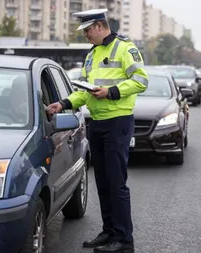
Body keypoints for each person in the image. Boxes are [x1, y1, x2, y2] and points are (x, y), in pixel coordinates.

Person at [45, 8, 148, 253]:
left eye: (88, 30)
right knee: (102, 181)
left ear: (100, 26)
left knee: (116, 183)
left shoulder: (125, 48)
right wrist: (63, 104)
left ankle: (124, 240)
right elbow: (84, 90)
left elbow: (141, 81)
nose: (86, 35)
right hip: (98, 123)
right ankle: (109, 231)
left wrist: (111, 92)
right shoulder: (92, 54)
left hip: (118, 122)